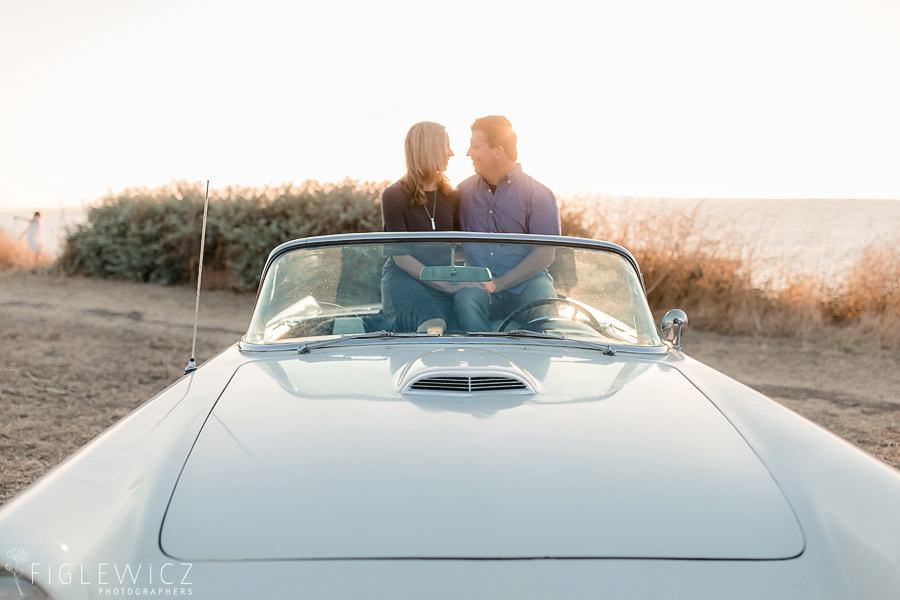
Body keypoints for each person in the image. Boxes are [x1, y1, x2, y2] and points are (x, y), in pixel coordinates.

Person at [454, 115, 560, 332]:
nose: (468, 153)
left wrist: (501, 283)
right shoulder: (461, 192)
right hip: (479, 286)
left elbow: (545, 254)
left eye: (475, 146)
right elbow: (452, 247)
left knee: (544, 305)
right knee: (465, 301)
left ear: (498, 150)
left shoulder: (539, 194)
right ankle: (481, 360)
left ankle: (537, 363)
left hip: (528, 284)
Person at [380, 121, 468, 334]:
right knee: (434, 325)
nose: (452, 153)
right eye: (447, 145)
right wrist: (446, 285)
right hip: (406, 282)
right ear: (430, 149)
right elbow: (401, 257)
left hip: (445, 282)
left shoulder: (452, 196)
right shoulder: (393, 195)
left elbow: (460, 250)